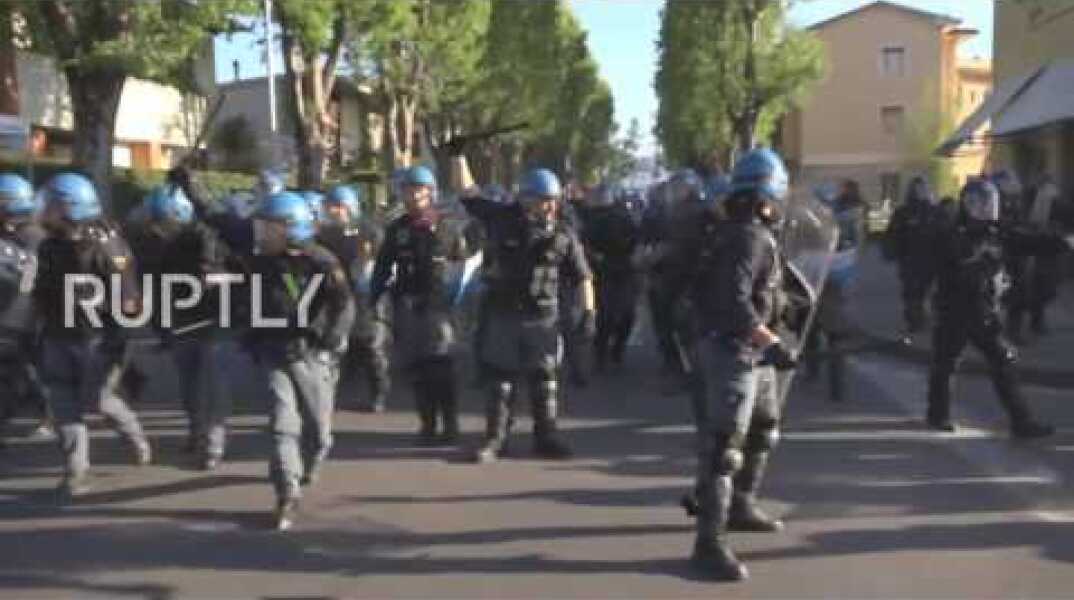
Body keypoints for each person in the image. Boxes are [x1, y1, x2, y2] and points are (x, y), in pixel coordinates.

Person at [687, 148, 799, 581]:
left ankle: (741, 504)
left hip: (752, 352)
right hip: (732, 352)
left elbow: (764, 292)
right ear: (767, 195)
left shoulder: (746, 233)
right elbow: (733, 301)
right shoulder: (747, 237)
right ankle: (708, 544)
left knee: (764, 427)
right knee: (725, 449)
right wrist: (770, 341)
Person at [455, 161, 595, 464]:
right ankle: (495, 438)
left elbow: (583, 276)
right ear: (525, 198)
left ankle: (547, 437)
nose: (549, 207)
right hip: (503, 312)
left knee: (545, 379)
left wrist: (588, 312)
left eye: (553, 200)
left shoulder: (564, 234)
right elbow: (468, 193)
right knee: (499, 380)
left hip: (543, 316)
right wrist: (458, 156)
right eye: (542, 200)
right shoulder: (501, 219)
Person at [34, 172, 151, 499]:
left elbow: (130, 300)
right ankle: (76, 471)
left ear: (69, 208)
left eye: (52, 206)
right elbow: (39, 290)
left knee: (98, 401)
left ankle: (134, 434)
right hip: (58, 336)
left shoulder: (107, 247)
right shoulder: (49, 246)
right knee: (63, 404)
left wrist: (119, 341)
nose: (45, 212)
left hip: (97, 340)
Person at [926, 177, 1070, 439]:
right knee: (945, 363)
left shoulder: (997, 232)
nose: (986, 209)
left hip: (983, 312)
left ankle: (1021, 422)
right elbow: (951, 269)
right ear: (968, 204)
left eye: (989, 202)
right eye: (980, 203)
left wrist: (1063, 242)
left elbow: (1028, 241)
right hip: (954, 311)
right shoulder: (953, 234)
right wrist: (977, 262)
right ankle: (938, 415)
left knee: (1003, 362)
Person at [126, 183, 232, 470]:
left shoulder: (207, 239)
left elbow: (227, 277)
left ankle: (213, 443)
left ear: (178, 216)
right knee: (189, 383)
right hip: (180, 322)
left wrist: (211, 279)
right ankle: (196, 431)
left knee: (212, 384)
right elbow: (155, 284)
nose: (158, 228)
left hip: (212, 322)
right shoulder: (156, 243)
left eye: (163, 222)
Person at [371, 166, 461, 446]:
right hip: (408, 304)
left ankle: (450, 424)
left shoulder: (446, 226)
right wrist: (375, 297)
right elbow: (383, 266)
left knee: (441, 367)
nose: (412, 195)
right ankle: (428, 424)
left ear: (430, 193)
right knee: (418, 369)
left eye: (418, 190)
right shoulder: (397, 229)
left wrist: (456, 300)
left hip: (439, 306)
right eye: (408, 190)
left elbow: (462, 264)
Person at [320, 184, 392, 413]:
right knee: (334, 347)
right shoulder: (323, 235)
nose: (331, 211)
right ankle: (327, 395)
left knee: (371, 347)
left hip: (366, 295)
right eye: (329, 206)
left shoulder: (368, 230)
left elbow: (382, 259)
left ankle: (378, 393)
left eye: (336, 206)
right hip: (338, 296)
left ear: (348, 207)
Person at [0, 173, 52, 447]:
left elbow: (39, 277)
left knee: (33, 369)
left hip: (31, 316)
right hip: (9, 316)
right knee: (14, 372)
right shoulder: (7, 234)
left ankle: (50, 416)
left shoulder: (37, 238)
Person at [581, 182, 640, 371]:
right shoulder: (589, 216)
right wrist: (593, 257)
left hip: (623, 268)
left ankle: (616, 351)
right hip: (602, 270)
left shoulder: (623, 215)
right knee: (606, 315)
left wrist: (635, 257)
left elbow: (636, 238)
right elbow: (583, 244)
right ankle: (601, 353)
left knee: (627, 314)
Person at [884, 176, 947, 343]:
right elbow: (893, 234)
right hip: (910, 260)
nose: (920, 192)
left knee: (933, 291)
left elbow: (946, 233)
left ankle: (931, 319)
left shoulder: (935, 212)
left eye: (923, 188)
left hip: (932, 259)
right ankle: (915, 321)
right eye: (917, 189)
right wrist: (891, 251)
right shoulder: (903, 212)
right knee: (912, 293)